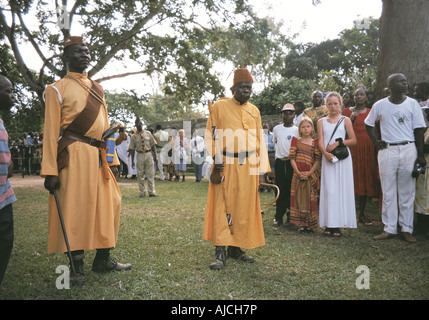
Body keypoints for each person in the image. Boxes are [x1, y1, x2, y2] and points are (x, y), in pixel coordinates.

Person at [41, 36, 131, 285]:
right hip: (74, 154)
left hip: (99, 156)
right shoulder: (56, 89)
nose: (86, 55)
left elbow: (104, 132)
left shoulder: (97, 88)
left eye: (88, 51)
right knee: (76, 209)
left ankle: (103, 259)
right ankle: (76, 267)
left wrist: (112, 160)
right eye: (79, 52)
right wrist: (50, 170)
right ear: (66, 57)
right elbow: (50, 133)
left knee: (110, 203)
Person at [203, 68, 270, 270]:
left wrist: (261, 170)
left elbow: (260, 141)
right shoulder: (220, 106)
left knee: (244, 207)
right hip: (226, 165)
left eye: (249, 87)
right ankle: (220, 251)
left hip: (248, 166)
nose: (247, 90)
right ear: (234, 88)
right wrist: (216, 160)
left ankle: (236, 248)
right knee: (223, 205)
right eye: (243, 87)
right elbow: (210, 135)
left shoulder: (255, 111)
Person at [365, 73, 427, 243]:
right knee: (388, 191)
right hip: (387, 150)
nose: (405, 83)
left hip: (408, 148)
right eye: (401, 81)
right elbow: (368, 123)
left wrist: (420, 155)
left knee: (407, 191)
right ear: (391, 85)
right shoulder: (380, 105)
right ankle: (389, 228)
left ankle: (406, 229)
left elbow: (419, 130)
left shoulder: (413, 104)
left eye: (406, 80)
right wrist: (375, 141)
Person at [317, 92, 357, 237]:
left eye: (335, 103)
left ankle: (338, 225)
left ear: (340, 104)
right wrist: (326, 154)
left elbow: (353, 140)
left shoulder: (346, 120)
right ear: (326, 105)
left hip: (342, 159)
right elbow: (320, 141)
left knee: (340, 190)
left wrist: (338, 143)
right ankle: (329, 224)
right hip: (328, 159)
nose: (333, 106)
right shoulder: (321, 121)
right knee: (329, 191)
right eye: (330, 104)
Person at [342, 88, 380, 225]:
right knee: (350, 178)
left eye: (361, 94)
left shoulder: (371, 112)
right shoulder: (346, 112)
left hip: (367, 149)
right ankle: (347, 212)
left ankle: (361, 213)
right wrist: (351, 120)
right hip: (352, 148)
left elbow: (377, 130)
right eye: (356, 94)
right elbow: (342, 131)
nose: (358, 97)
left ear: (366, 98)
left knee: (364, 178)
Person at [289, 116, 321, 234]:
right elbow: (292, 158)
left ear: (312, 128)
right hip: (297, 176)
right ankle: (302, 224)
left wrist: (309, 173)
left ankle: (310, 224)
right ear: (300, 129)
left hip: (310, 176)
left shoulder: (315, 142)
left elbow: (317, 160)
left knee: (310, 199)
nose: (306, 129)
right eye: (303, 127)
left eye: (308, 126)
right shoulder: (295, 142)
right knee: (299, 198)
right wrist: (298, 172)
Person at [0, 75, 17, 288]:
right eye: (8, 92)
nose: (13, 96)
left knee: (5, 242)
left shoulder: (1, 121)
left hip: (4, 194)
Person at [272, 103, 299, 227]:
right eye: (285, 113)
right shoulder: (277, 129)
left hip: (291, 162)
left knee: (291, 189)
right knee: (280, 188)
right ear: (282, 115)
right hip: (280, 162)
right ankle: (278, 216)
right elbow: (276, 141)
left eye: (290, 113)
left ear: (294, 114)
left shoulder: (297, 130)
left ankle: (290, 216)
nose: (287, 116)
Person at [129, 117, 158, 197]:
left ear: (142, 124)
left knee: (150, 174)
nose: (139, 125)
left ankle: (151, 191)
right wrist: (132, 161)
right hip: (140, 155)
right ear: (135, 125)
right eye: (137, 124)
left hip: (148, 154)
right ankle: (142, 192)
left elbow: (153, 146)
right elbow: (131, 149)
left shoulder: (148, 133)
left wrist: (155, 156)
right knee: (140, 174)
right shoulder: (133, 136)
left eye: (140, 123)